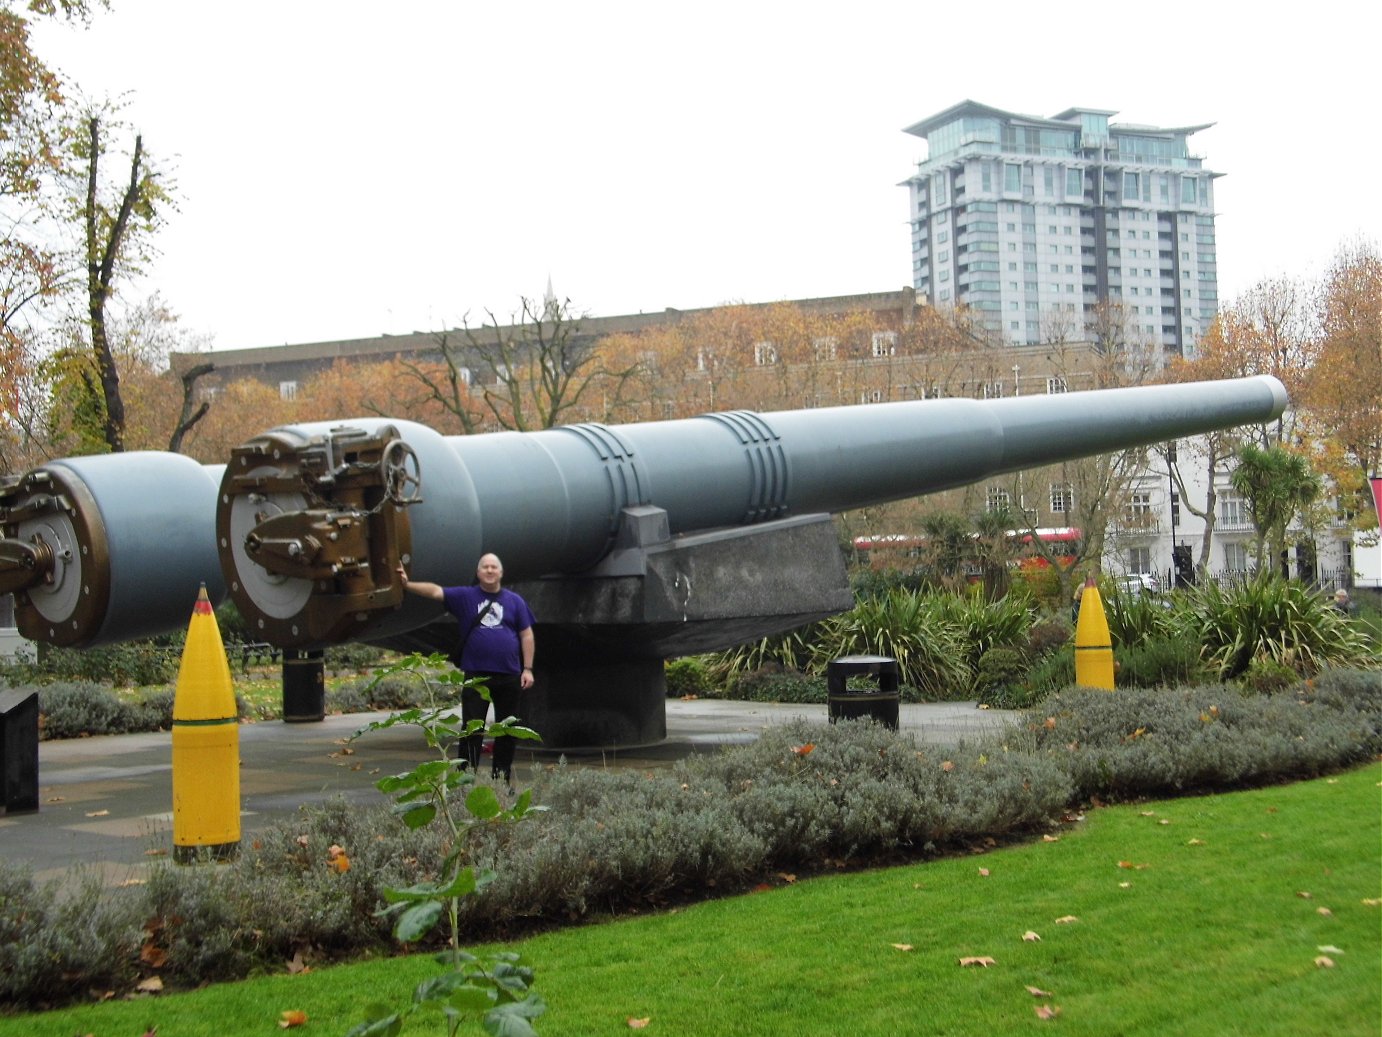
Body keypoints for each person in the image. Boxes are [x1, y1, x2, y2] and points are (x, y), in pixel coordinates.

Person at [398, 553, 535, 785]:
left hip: (509, 674)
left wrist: (528, 668)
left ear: (501, 573)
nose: (490, 570)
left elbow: (526, 634)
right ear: (478, 572)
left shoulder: (515, 601)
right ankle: (465, 781)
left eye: (494, 567)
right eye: (485, 567)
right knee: (472, 730)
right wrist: (406, 584)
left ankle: (501, 781)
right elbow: (435, 591)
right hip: (476, 676)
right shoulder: (465, 596)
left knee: (508, 730)